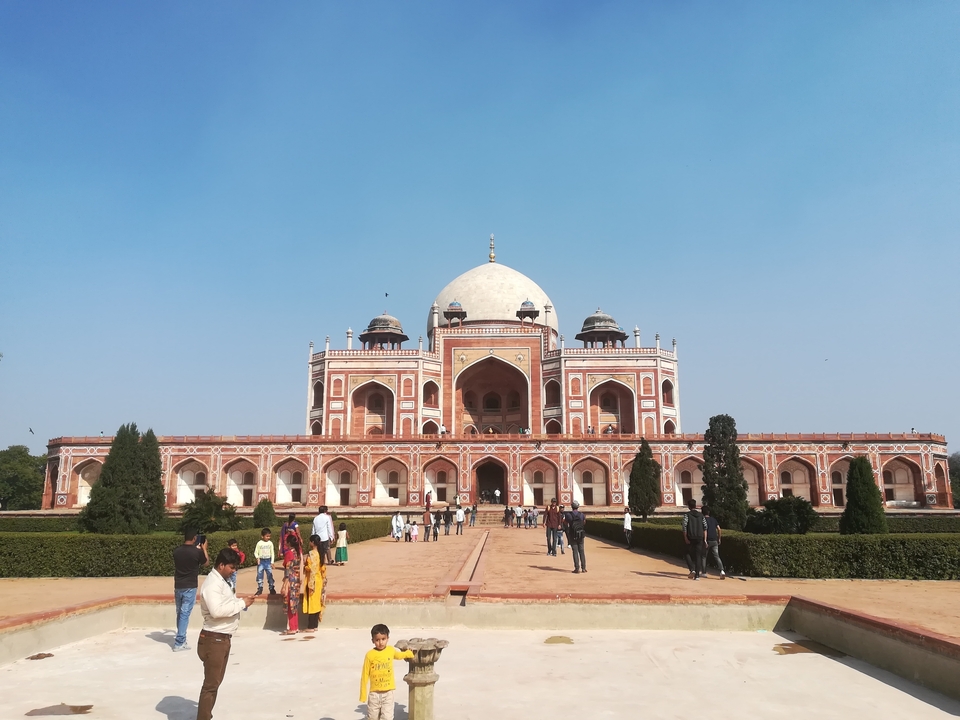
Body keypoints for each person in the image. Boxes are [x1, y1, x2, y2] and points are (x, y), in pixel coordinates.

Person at [195, 548, 257, 720]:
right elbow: (216, 611)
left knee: (214, 684)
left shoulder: (221, 581)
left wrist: (241, 602)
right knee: (211, 685)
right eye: (231, 567)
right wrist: (241, 604)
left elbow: (226, 603)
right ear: (221, 565)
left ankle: (206, 715)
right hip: (214, 639)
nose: (233, 570)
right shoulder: (212, 584)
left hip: (220, 639)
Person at [360, 623, 415, 720]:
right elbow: (365, 675)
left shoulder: (390, 650)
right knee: (372, 717)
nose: (380, 642)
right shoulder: (369, 655)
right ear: (372, 640)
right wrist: (363, 694)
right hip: (374, 695)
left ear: (387, 638)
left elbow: (398, 655)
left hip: (388, 693)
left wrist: (408, 653)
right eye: (377, 640)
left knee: (387, 717)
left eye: (383, 639)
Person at [172, 527, 208, 652]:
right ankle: (179, 642)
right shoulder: (196, 552)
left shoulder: (177, 551)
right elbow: (206, 563)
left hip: (178, 586)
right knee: (185, 613)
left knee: (180, 613)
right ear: (194, 538)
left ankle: (181, 638)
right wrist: (204, 549)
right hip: (190, 586)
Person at [280, 531, 303, 635]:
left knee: (290, 604)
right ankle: (295, 626)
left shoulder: (289, 553)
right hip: (297, 580)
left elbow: (287, 569)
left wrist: (285, 584)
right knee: (295, 604)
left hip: (291, 580)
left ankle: (292, 628)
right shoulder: (297, 553)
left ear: (289, 543)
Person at [302, 535, 326, 631]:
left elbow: (310, 568)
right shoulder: (321, 553)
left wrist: (305, 566)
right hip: (319, 579)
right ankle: (315, 625)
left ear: (312, 542)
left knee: (312, 602)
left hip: (312, 581)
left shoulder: (311, 554)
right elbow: (323, 568)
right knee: (317, 602)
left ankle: (311, 626)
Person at [681, 498, 707, 580]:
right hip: (699, 537)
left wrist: (685, 538)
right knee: (698, 556)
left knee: (686, 553)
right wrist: (705, 539)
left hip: (690, 537)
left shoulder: (687, 515)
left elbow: (684, 527)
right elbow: (705, 527)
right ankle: (697, 576)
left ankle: (692, 569)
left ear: (689, 506)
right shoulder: (701, 515)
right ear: (695, 506)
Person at [702, 507, 726, 579]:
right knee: (716, 556)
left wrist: (704, 540)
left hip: (707, 540)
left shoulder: (703, 520)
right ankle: (722, 571)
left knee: (704, 556)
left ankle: (704, 572)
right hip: (714, 540)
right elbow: (719, 529)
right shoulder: (713, 519)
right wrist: (719, 538)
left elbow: (704, 530)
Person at [564, 501, 587, 573]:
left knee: (575, 551)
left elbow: (565, 522)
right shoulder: (581, 515)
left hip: (572, 534)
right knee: (582, 551)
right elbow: (584, 522)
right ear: (578, 507)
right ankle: (584, 568)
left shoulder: (568, 515)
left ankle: (577, 568)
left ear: (572, 507)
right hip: (580, 535)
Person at [254, 528, 277, 596]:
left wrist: (272, 562)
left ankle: (271, 587)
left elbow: (272, 553)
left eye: (269, 536)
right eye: (267, 536)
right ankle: (260, 588)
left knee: (269, 574)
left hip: (268, 561)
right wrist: (257, 558)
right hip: (261, 561)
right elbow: (256, 552)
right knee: (260, 574)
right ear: (262, 536)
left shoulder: (270, 543)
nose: (268, 537)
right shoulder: (259, 543)